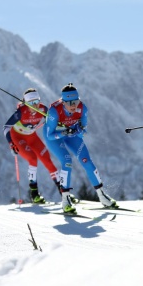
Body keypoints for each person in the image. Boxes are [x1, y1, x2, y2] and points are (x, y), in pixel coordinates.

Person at [44, 83, 118, 213]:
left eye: (76, 101)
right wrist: (64, 132)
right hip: (55, 137)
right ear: (63, 102)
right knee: (67, 161)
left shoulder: (82, 108)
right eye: (70, 102)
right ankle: (65, 200)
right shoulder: (54, 112)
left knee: (87, 161)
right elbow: (50, 136)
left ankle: (102, 195)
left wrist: (78, 130)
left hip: (71, 135)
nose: (74, 105)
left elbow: (83, 132)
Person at [3, 88, 61, 203]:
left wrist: (53, 121)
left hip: (32, 137)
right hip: (18, 138)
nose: (35, 105)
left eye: (37, 102)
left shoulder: (43, 109)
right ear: (26, 103)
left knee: (47, 160)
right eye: (31, 103)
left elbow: (51, 120)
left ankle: (64, 193)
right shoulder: (21, 112)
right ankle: (34, 194)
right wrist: (11, 144)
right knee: (33, 158)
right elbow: (6, 128)